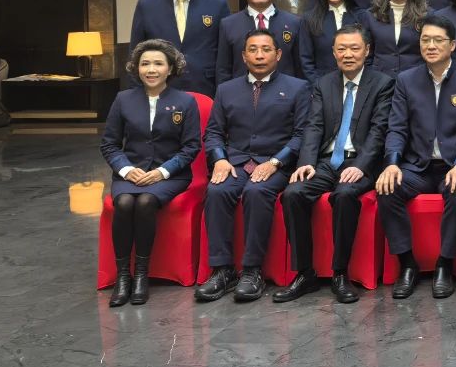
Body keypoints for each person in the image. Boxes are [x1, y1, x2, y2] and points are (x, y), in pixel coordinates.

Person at [274, 24, 393, 304]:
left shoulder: (383, 83)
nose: (347, 54)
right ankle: (305, 273)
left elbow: (379, 132)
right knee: (292, 194)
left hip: (361, 162)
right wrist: (306, 162)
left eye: (354, 48)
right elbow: (314, 126)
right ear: (333, 52)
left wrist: (361, 165)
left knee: (345, 194)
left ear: (367, 50)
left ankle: (340, 273)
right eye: (342, 49)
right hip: (327, 161)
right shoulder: (323, 83)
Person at [376, 15, 456, 299]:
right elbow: (397, 128)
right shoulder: (406, 80)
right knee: (387, 188)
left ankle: (444, 265)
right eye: (425, 40)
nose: (431, 45)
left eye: (438, 40)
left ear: (452, 45)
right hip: (418, 166)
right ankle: (407, 264)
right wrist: (392, 164)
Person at [197, 30, 309, 303]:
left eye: (266, 49)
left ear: (278, 54)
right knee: (216, 191)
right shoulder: (226, 89)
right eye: (253, 50)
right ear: (243, 55)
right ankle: (222, 270)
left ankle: (251, 270)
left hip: (276, 163)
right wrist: (220, 159)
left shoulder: (298, 88)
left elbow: (302, 134)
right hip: (234, 162)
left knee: (257, 192)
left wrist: (276, 161)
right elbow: (213, 133)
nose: (259, 55)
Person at [100, 39, 202, 307]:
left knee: (145, 201)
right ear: (136, 68)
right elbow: (109, 144)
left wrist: (162, 172)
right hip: (130, 173)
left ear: (171, 68)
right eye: (145, 64)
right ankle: (123, 275)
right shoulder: (123, 100)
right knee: (124, 202)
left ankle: (141, 275)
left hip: (171, 175)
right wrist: (126, 169)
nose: (151, 69)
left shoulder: (185, 102)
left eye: (158, 63)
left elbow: (191, 147)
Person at [129, 0, 230, 96]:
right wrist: (136, 95)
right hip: (160, 89)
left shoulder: (217, 3)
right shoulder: (147, 5)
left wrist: (224, 94)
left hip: (206, 89)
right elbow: (135, 53)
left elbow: (226, 54)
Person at [215, 0, 303, 86]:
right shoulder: (228, 24)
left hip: (285, 92)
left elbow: (300, 66)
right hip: (241, 92)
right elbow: (223, 69)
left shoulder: (294, 23)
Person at [298, 0, 372, 80]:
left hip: (359, 85)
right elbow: (306, 61)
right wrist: (319, 87)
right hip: (321, 86)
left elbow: (369, 57)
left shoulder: (363, 16)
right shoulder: (309, 19)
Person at [365, 0, 428, 76]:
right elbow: (366, 55)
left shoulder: (427, 15)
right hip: (380, 81)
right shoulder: (371, 15)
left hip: (415, 79)